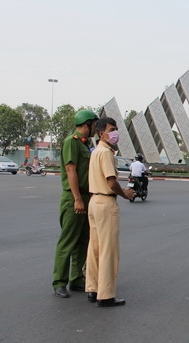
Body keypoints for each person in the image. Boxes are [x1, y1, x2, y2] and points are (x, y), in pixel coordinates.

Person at [86, 117, 135, 307]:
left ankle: (92, 288)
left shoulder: (95, 152)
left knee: (95, 248)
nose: (116, 133)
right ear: (101, 133)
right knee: (108, 250)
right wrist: (125, 194)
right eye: (112, 129)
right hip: (106, 203)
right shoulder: (106, 153)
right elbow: (111, 181)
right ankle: (105, 294)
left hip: (94, 201)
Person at [52, 109, 98, 298]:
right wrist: (78, 199)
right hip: (74, 197)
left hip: (86, 196)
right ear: (87, 124)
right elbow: (71, 171)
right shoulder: (72, 141)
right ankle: (59, 282)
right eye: (95, 124)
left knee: (83, 240)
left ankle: (76, 279)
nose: (97, 127)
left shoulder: (86, 144)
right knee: (68, 240)